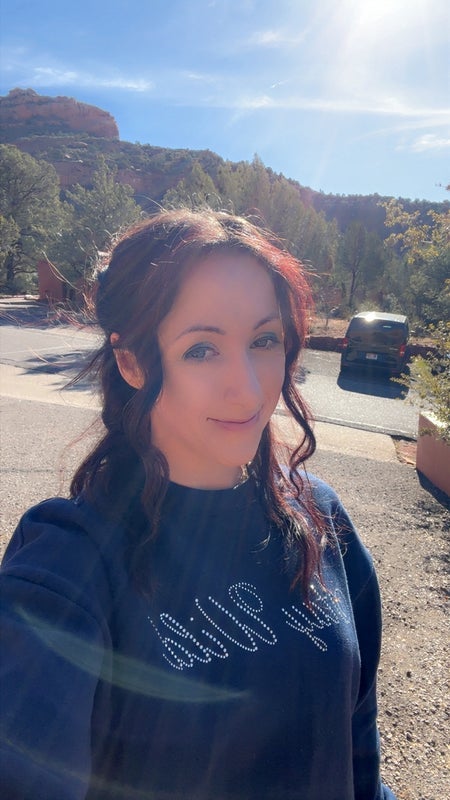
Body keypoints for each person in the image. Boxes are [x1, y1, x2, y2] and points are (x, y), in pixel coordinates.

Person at [0, 209, 396, 800]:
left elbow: (358, 743)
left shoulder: (318, 515)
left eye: (264, 340)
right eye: (202, 349)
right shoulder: (68, 565)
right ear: (132, 362)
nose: (249, 388)